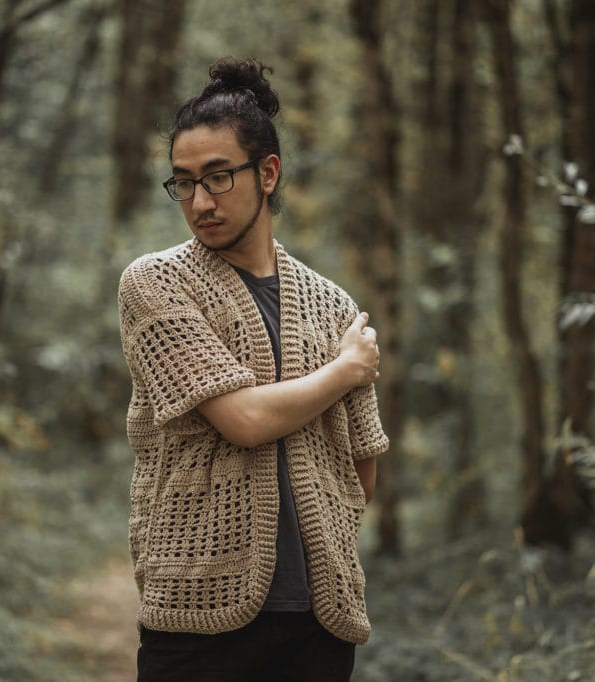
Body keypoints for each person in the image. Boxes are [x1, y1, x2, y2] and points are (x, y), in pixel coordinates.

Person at [117, 56, 389, 682]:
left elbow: (362, 472)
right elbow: (241, 420)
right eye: (182, 182)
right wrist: (345, 371)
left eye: (218, 177)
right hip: (195, 614)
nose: (199, 201)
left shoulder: (332, 305)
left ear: (268, 173)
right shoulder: (156, 283)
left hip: (319, 622)